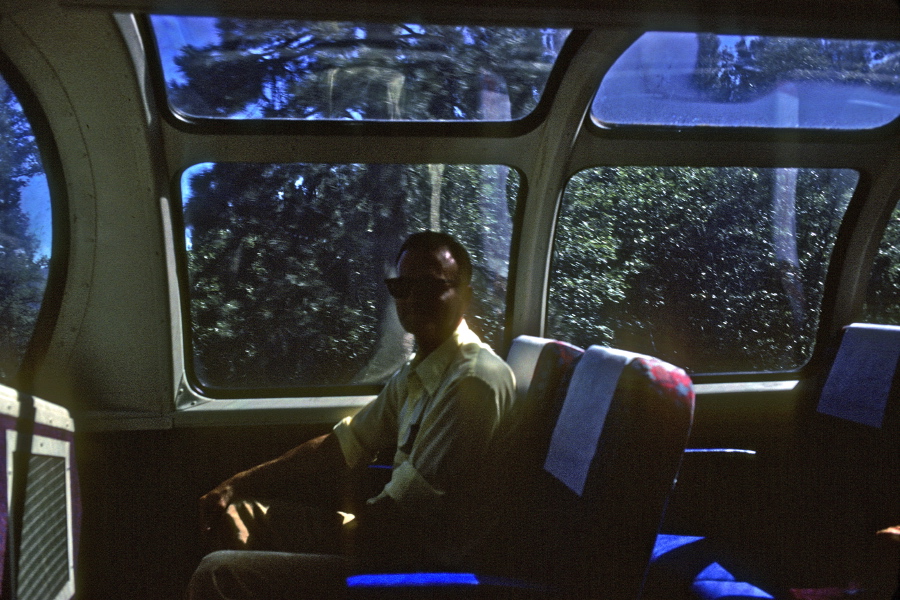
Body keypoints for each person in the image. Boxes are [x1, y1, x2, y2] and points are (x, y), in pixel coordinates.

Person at [188, 231, 516, 600]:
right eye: (401, 286)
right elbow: (342, 445)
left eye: (430, 286)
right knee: (239, 515)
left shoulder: (473, 380)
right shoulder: (421, 368)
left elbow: (403, 524)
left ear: (465, 295)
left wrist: (316, 541)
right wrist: (239, 483)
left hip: (418, 569)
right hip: (386, 538)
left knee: (216, 574)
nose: (412, 299)